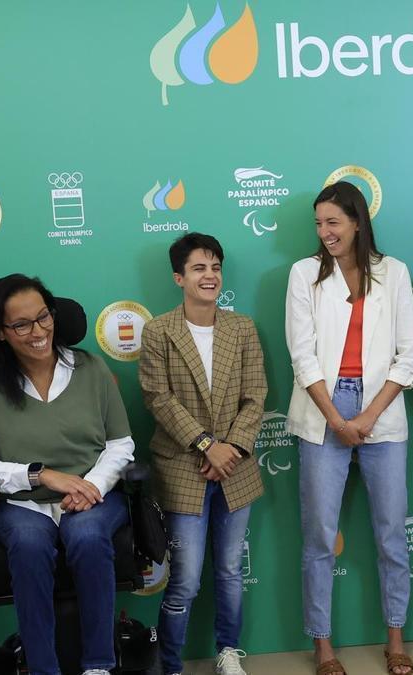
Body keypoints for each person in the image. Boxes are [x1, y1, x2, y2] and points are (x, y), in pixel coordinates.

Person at [0, 274, 134, 675]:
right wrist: (40, 476)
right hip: (22, 504)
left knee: (86, 535)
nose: (38, 332)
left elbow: (120, 444)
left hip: (94, 496)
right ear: (0, 332)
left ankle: (99, 666)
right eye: (22, 325)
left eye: (44, 317)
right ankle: (42, 668)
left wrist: (92, 485)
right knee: (30, 545)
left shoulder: (91, 368)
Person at [285, 181, 413, 675]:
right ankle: (323, 645)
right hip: (323, 409)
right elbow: (301, 355)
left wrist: (366, 417)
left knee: (391, 535)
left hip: (381, 408)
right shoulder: (303, 274)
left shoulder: (395, 273)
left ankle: (395, 638)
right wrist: (337, 418)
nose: (325, 233)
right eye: (318, 224)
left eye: (333, 223)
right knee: (319, 535)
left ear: (357, 221)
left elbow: (409, 358)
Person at [138, 233, 267, 675]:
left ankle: (228, 651)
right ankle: (170, 665)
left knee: (230, 570)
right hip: (182, 468)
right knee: (186, 581)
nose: (209, 275)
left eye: (215, 267)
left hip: (236, 466)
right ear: (179, 277)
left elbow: (256, 394)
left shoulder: (242, 327)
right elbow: (159, 398)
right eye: (198, 268)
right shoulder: (159, 331)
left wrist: (229, 449)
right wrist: (207, 445)